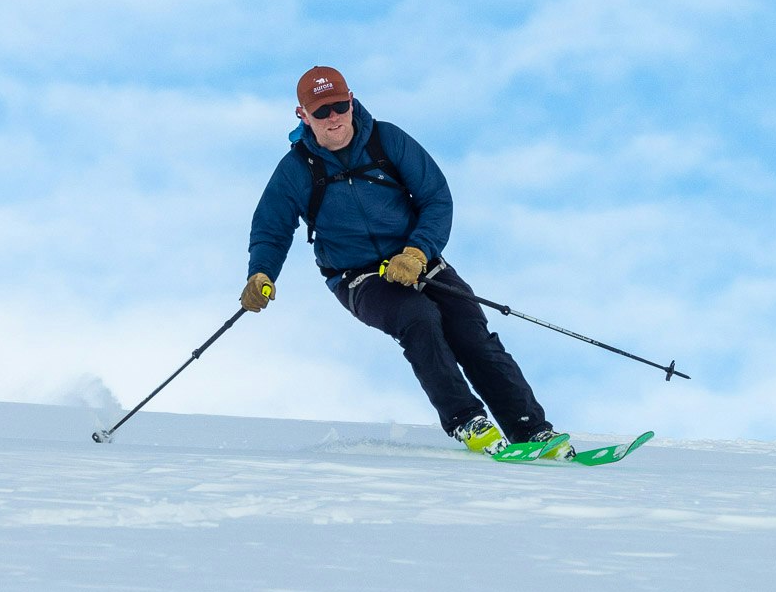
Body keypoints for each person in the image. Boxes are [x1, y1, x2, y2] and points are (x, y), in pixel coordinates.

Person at [240, 66, 563, 456]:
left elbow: (436, 197)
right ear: (303, 115)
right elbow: (271, 229)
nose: (333, 118)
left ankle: (531, 430)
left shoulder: (387, 140)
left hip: (418, 259)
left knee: (468, 328)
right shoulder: (295, 170)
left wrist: (416, 252)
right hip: (357, 276)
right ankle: (467, 421)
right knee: (418, 318)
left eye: (339, 106)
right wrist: (261, 273)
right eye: (321, 112)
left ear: (351, 101)